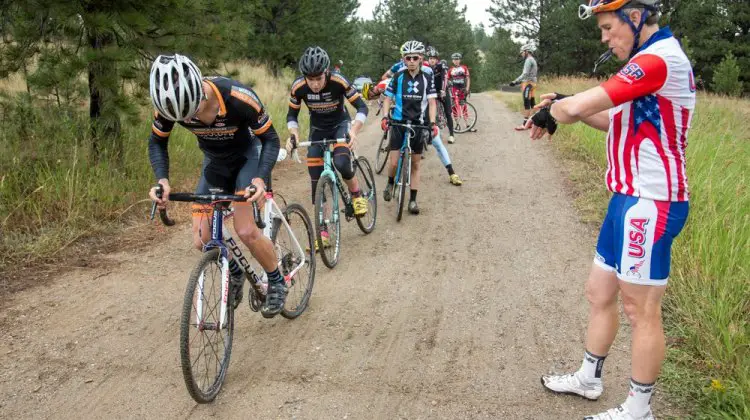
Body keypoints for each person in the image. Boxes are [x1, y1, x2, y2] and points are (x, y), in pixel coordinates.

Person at [526, 1, 695, 419]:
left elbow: (579, 108)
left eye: (607, 27)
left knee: (641, 309)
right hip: (627, 198)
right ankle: (589, 378)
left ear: (634, 17)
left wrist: (560, 108)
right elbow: (610, 120)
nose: (603, 37)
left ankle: (639, 410)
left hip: (652, 202)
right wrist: (566, 106)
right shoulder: (645, 62)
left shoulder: (657, 59)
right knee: (599, 292)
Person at [147, 54, 287, 318]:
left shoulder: (237, 96)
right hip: (216, 162)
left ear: (200, 89)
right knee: (202, 239)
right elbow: (157, 142)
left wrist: (259, 178)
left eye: (196, 110)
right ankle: (234, 272)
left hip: (249, 155)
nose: (195, 118)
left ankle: (277, 280)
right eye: (186, 117)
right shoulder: (168, 106)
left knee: (245, 230)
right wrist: (162, 179)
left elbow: (270, 139)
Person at [286, 46, 369, 248]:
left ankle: (357, 194)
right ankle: (322, 232)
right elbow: (291, 116)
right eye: (310, 79)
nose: (314, 84)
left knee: (341, 162)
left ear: (326, 72)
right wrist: (293, 135)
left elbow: (362, 106)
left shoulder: (338, 81)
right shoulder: (298, 87)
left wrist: (354, 130)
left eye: (318, 78)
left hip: (341, 126)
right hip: (318, 130)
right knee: (316, 181)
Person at [380, 40, 439, 215]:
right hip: (398, 122)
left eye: (415, 57)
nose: (411, 60)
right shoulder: (398, 76)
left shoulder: (427, 78)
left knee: (415, 164)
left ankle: (412, 200)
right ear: (404, 59)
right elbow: (388, 98)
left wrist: (433, 122)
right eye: (408, 58)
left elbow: (432, 102)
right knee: (393, 162)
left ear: (421, 58)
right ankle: (391, 182)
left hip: (418, 124)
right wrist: (385, 116)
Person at [426, 46, 456, 144]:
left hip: (442, 91)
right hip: (432, 93)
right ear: (428, 59)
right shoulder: (426, 68)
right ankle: (430, 135)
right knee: (428, 113)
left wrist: (443, 90)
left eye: (434, 59)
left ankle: (451, 135)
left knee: (448, 112)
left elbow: (444, 78)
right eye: (430, 58)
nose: (432, 60)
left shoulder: (441, 66)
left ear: (437, 60)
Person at [510, 44, 539, 131]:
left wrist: (515, 81)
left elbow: (525, 73)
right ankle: (535, 122)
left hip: (528, 84)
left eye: (522, 52)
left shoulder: (528, 60)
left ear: (526, 51)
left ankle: (525, 124)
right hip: (532, 83)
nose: (522, 54)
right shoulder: (533, 60)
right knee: (532, 104)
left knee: (527, 103)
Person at [448, 52, 476, 132]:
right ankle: (457, 125)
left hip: (462, 89)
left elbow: (468, 78)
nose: (456, 61)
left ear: (460, 60)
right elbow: (447, 79)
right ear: (452, 60)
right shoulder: (450, 70)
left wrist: (467, 88)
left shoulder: (464, 68)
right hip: (454, 89)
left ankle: (468, 125)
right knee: (454, 107)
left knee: (464, 106)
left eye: (457, 59)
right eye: (454, 59)